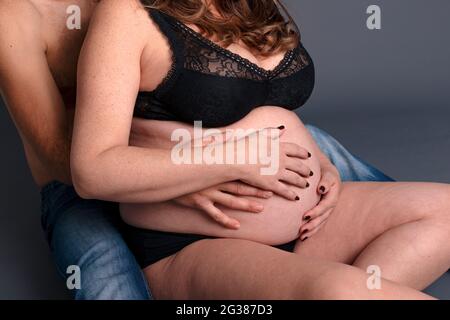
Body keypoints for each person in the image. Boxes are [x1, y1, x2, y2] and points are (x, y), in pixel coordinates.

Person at [0, 0, 392, 300]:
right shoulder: (16, 16)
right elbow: (62, 155)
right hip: (84, 191)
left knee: (340, 167)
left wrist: (208, 163)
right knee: (107, 276)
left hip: (195, 154)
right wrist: (183, 179)